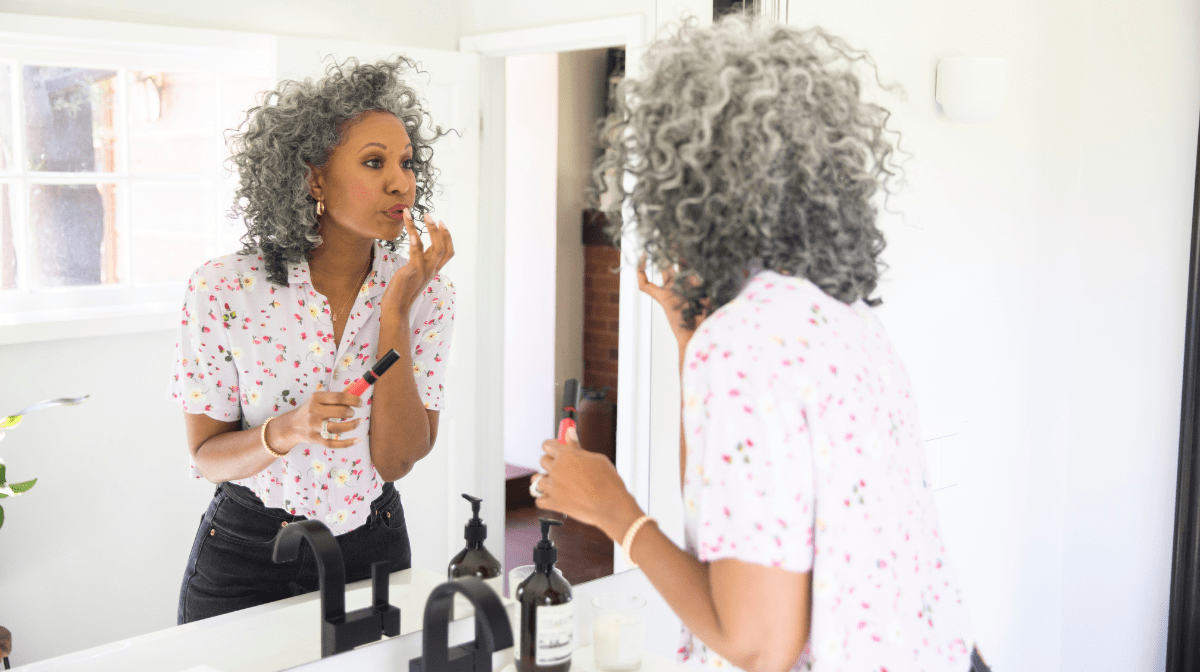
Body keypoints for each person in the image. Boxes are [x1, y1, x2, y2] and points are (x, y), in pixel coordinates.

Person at [529, 16, 987, 672]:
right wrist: (691, 340)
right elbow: (731, 516)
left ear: (684, 185)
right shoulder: (842, 315)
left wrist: (612, 508)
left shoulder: (745, 346)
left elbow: (757, 645)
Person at [168, 57, 455, 624]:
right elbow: (206, 458)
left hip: (372, 548)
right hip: (246, 553)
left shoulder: (428, 294)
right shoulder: (225, 288)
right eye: (374, 163)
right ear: (314, 177)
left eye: (406, 162)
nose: (401, 182)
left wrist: (394, 313)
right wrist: (287, 430)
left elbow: (396, 461)